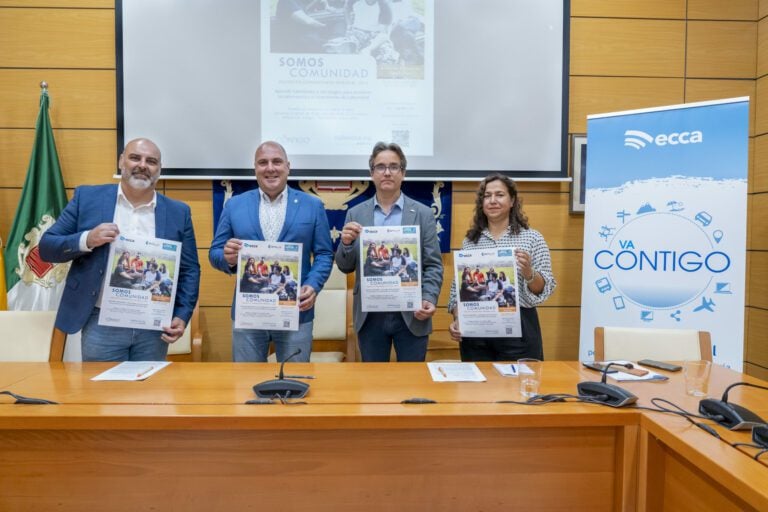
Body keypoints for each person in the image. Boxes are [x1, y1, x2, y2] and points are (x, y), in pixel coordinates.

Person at [39, 138, 201, 361]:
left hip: (153, 324)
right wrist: (88, 239)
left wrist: (182, 315)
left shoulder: (178, 212)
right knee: (104, 384)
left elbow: (190, 270)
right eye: (135, 158)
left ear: (159, 169)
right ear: (121, 161)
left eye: (151, 161)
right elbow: (47, 247)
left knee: (148, 383)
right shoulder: (87, 198)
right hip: (101, 322)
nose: (142, 165)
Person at [209, 141, 333, 362]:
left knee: (294, 379)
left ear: (288, 167)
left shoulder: (312, 205)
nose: (270, 168)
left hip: (294, 310)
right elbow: (215, 252)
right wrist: (227, 258)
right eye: (263, 162)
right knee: (246, 379)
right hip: (249, 313)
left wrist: (313, 285)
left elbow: (324, 254)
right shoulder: (234, 205)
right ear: (255, 168)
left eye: (277, 162)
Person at [335, 141, 443, 362]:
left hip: (412, 313)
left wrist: (429, 297)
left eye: (394, 167)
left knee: (413, 378)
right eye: (380, 167)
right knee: (374, 380)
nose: (387, 172)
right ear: (371, 173)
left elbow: (433, 264)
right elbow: (345, 267)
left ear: (403, 173)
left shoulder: (423, 214)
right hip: (370, 314)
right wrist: (346, 244)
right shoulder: (356, 213)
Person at [447, 173, 556, 361]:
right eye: (487, 196)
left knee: (520, 379)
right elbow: (457, 290)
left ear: (512, 201)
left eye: (499, 195)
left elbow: (544, 289)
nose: (492, 201)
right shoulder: (470, 242)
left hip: (519, 331)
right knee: (477, 379)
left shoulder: (532, 238)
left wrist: (529, 273)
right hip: (476, 331)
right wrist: (458, 318)